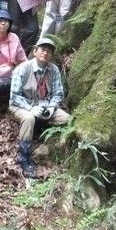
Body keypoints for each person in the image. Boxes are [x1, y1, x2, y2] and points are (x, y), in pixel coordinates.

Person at [9, 37, 70, 177]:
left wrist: (52, 107)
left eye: (49, 51)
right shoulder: (23, 69)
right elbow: (14, 96)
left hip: (45, 106)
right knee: (29, 118)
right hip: (22, 106)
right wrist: (30, 108)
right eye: (42, 49)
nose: (45, 53)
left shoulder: (53, 70)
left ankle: (52, 144)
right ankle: (23, 156)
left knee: (68, 120)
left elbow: (58, 93)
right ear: (35, 51)